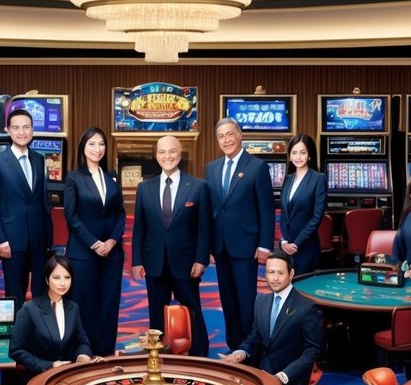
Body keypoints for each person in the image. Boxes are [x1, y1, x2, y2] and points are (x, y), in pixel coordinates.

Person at [131, 135, 212, 357]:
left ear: (180, 153)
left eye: (172, 151)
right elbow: (139, 228)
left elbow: (204, 228)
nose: (168, 156)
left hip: (187, 263)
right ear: (156, 156)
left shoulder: (198, 186)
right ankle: (159, 357)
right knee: (156, 314)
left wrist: (201, 259)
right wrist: (136, 261)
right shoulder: (144, 188)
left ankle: (200, 356)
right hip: (154, 263)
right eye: (162, 152)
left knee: (192, 311)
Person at [207, 117, 275, 350]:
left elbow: (266, 210)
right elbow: (212, 210)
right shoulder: (212, 168)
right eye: (221, 137)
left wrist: (265, 245)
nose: (226, 140)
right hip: (221, 246)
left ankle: (249, 348)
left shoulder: (257, 167)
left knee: (246, 301)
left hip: (247, 246)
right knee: (227, 300)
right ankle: (233, 344)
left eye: (229, 134)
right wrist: (208, 246)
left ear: (240, 135)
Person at [63, 126, 126, 356]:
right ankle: (83, 353)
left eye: (101, 143)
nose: (97, 148)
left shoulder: (111, 177)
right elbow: (71, 216)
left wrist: (111, 241)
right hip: (83, 253)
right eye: (92, 143)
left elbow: (120, 213)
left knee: (109, 304)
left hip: (112, 253)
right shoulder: (74, 177)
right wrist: (94, 243)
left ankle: (105, 353)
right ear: (83, 147)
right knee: (84, 304)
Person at [222, 251, 324, 385]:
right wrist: (241, 352)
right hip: (262, 376)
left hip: (290, 382)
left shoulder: (306, 308)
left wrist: (284, 376)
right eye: (271, 272)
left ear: (291, 273)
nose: (275, 278)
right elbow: (255, 336)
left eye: (280, 273)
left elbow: (311, 351)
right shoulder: (261, 301)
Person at [0, 107, 52, 307]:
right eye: (16, 128)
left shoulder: (39, 159)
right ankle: (17, 335)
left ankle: (39, 333)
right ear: (8, 130)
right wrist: (0, 240)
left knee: (41, 292)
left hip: (38, 238)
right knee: (15, 294)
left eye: (26, 127)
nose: (22, 132)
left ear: (32, 129)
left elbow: (40, 201)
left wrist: (48, 236)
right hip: (11, 239)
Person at [9, 254, 96, 376]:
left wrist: (83, 355)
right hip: (39, 376)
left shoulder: (73, 308)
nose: (62, 283)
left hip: (67, 373)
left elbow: (82, 340)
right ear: (47, 280)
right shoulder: (29, 309)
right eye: (56, 277)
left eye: (67, 277)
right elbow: (15, 350)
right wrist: (49, 365)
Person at [278, 133, 327, 277]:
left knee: (302, 290)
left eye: (303, 153)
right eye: (294, 153)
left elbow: (317, 217)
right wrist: (284, 242)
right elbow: (284, 214)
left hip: (305, 247)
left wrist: (296, 244)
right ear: (289, 156)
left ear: (310, 155)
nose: (298, 157)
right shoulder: (287, 179)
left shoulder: (318, 179)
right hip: (286, 246)